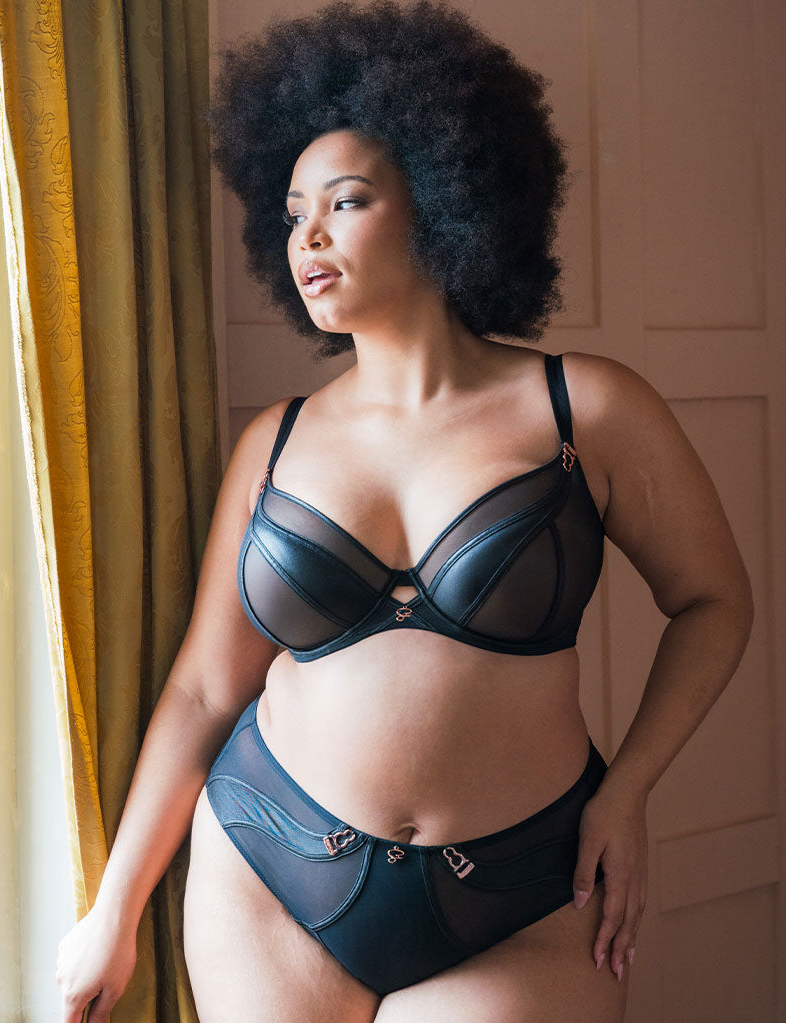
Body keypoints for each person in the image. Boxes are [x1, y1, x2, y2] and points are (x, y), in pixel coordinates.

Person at [55, 2, 754, 1021]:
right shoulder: (274, 442)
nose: (308, 235)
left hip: (526, 891)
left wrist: (631, 786)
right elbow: (204, 690)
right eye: (292, 212)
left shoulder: (587, 409)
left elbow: (714, 602)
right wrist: (114, 911)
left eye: (345, 201)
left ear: (440, 197)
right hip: (267, 868)